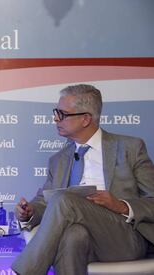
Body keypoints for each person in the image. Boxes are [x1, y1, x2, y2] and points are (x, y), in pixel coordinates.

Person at [12, 84, 154, 275]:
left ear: (86, 119)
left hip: (126, 238)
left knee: (64, 200)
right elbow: (44, 202)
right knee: (73, 235)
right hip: (86, 240)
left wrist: (121, 205)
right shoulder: (58, 160)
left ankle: (25, 271)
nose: (55, 119)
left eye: (62, 114)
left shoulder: (130, 148)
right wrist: (29, 213)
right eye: (56, 112)